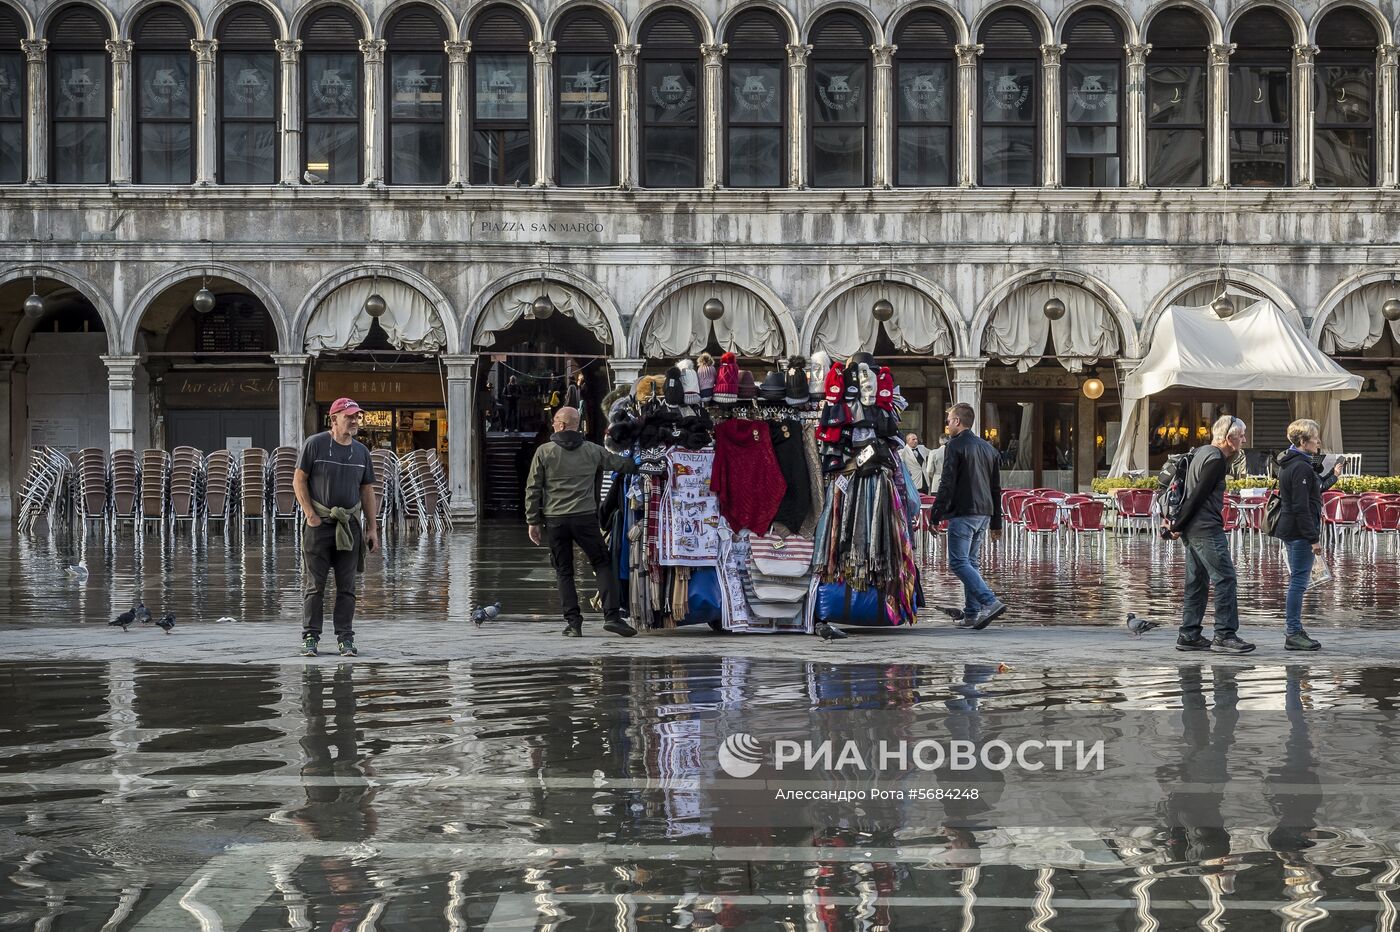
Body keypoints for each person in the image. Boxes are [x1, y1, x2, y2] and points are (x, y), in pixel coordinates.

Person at [525, 406, 638, 638]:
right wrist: (642, 455)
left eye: (555, 421)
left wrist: (533, 521)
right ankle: (612, 616)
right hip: (585, 519)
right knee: (602, 563)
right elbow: (623, 465)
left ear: (562, 424)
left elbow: (533, 488)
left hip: (555, 520)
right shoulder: (592, 450)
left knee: (564, 571)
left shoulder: (544, 452)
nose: (554, 424)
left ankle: (573, 623)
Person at [293, 397, 379, 658]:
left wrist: (372, 528)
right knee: (314, 586)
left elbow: (367, 491)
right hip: (319, 525)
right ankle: (310, 637)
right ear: (334, 419)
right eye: (349, 416)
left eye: (356, 416)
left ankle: (345, 639)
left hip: (349, 526)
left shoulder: (362, 452)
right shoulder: (315, 444)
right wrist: (310, 514)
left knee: (347, 587)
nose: (354, 421)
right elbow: (299, 481)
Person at [1165, 415, 1253, 654]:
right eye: (1241, 435)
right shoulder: (1216, 461)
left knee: (1197, 581)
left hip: (1193, 528)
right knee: (1226, 578)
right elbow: (1198, 496)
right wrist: (1177, 525)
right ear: (1228, 437)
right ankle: (1225, 635)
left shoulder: (1201, 452)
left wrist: (1179, 525)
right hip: (1205, 528)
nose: (1244, 440)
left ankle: (1189, 634)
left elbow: (1189, 492)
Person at [929, 403, 1006, 629]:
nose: (947, 424)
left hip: (963, 511)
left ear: (957, 422)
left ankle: (989, 601)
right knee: (971, 562)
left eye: (949, 420)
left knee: (958, 561)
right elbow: (995, 489)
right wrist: (996, 522)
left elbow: (947, 482)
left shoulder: (954, 446)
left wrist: (935, 514)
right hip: (984, 512)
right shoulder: (988, 449)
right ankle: (972, 613)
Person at [1270, 418, 1343, 651]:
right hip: (1299, 532)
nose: (1319, 442)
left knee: (1298, 581)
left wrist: (1333, 475)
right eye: (1315, 438)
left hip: (1293, 530)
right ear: (1302, 441)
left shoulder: (1294, 463)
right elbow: (1301, 506)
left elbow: (1315, 488)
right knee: (1299, 582)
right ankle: (1292, 632)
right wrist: (1313, 539)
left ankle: (1295, 629)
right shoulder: (1300, 466)